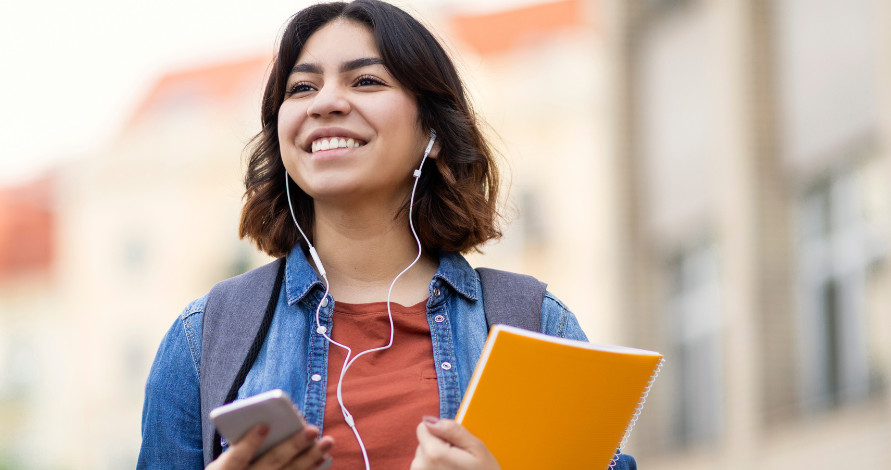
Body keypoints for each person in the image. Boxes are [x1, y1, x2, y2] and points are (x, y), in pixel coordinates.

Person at [138, 1, 637, 469]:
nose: (326, 102)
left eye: (367, 80)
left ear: (434, 133)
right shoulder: (203, 339)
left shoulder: (537, 327)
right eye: (302, 88)